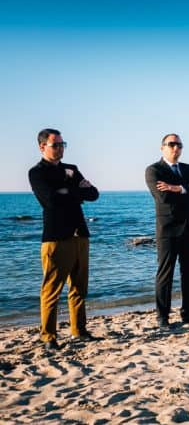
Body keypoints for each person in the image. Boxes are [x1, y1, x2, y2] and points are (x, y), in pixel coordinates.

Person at [29, 128, 99, 350]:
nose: (60, 148)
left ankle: (79, 330)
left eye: (62, 144)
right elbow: (50, 200)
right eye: (55, 145)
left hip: (80, 234)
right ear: (42, 147)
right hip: (56, 237)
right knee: (51, 290)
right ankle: (48, 336)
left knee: (79, 288)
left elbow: (93, 193)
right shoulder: (37, 173)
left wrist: (67, 191)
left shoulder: (71, 169)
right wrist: (74, 190)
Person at [145, 133, 189, 330]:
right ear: (162, 147)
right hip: (168, 229)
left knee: (188, 272)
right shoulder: (154, 170)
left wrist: (178, 188)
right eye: (171, 144)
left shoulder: (187, 168)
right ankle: (162, 317)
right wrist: (188, 189)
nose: (176, 148)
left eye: (179, 145)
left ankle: (188, 313)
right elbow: (162, 197)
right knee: (166, 273)